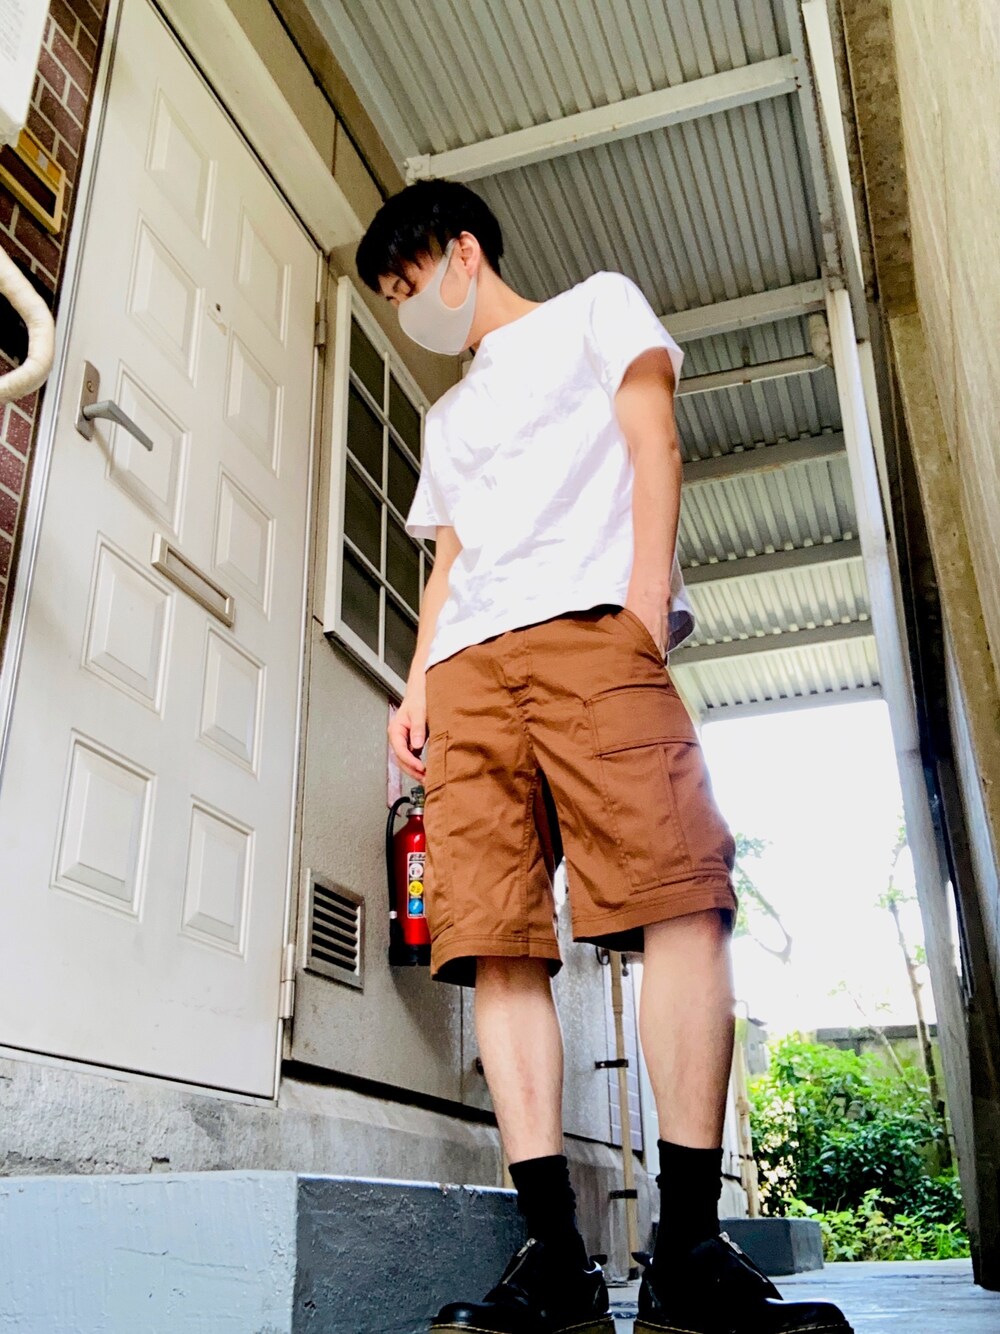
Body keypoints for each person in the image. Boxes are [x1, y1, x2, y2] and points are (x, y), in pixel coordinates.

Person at [355, 180, 851, 1334]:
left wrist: (640, 607)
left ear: (460, 251)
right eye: (389, 296)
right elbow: (451, 557)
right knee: (493, 938)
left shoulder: (594, 306)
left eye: (408, 280)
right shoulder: (447, 416)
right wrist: (417, 680)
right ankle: (556, 1261)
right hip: (469, 672)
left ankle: (688, 1250)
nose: (408, 306)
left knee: (680, 895)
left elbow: (651, 438)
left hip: (592, 631)